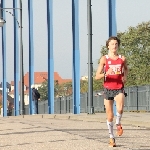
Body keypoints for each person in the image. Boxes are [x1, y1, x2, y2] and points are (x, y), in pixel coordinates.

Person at [95, 36, 128, 147]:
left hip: (119, 87)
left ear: (118, 46)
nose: (114, 46)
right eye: (112, 44)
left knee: (120, 108)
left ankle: (118, 123)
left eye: (116, 44)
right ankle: (111, 138)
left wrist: (125, 77)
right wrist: (106, 73)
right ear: (108, 46)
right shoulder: (104, 59)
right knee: (110, 116)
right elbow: (97, 76)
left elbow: (126, 69)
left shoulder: (122, 58)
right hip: (108, 89)